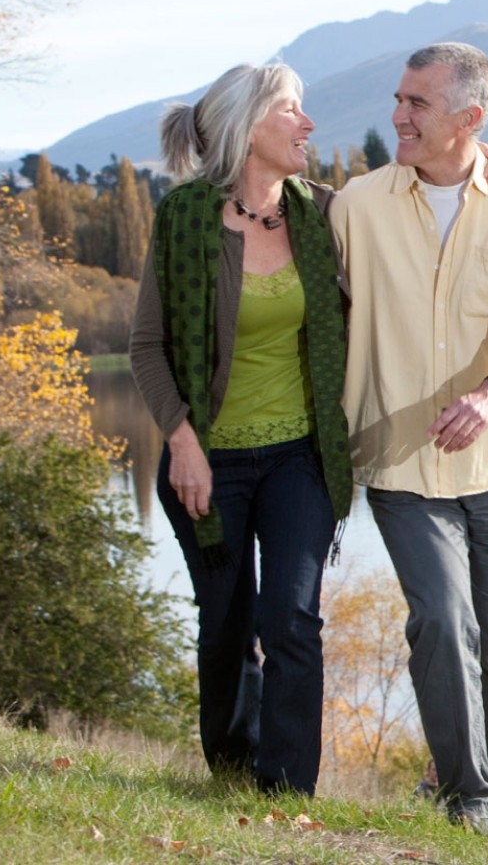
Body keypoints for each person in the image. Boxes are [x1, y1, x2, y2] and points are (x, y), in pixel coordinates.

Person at [329, 42, 488, 832]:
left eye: (418, 104)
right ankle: (473, 801)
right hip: (402, 459)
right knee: (440, 619)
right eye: (398, 99)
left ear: (469, 119)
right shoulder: (356, 206)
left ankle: (470, 783)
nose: (398, 115)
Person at [130, 63, 352, 795]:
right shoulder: (187, 217)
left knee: (290, 616)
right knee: (226, 626)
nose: (307, 125)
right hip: (208, 463)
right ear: (247, 127)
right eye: (292, 110)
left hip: (299, 456)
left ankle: (288, 794)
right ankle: (230, 771)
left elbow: (418, 200)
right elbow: (146, 346)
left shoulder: (323, 213)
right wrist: (183, 442)